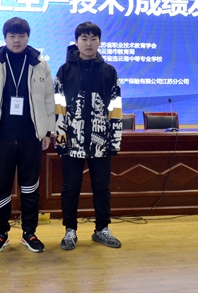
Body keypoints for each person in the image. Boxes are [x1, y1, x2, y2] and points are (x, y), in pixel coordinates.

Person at [0, 17, 55, 254]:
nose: (17, 40)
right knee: (1, 187)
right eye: (12, 36)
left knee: (30, 187)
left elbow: (48, 99)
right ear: (5, 38)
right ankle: (1, 233)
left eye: (21, 35)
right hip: (1, 135)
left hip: (31, 136)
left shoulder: (40, 64)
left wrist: (47, 131)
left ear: (28, 37)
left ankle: (29, 232)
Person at [54, 21, 123, 251]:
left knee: (102, 187)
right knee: (70, 187)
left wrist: (114, 141)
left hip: (100, 141)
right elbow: (59, 108)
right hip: (71, 141)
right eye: (84, 38)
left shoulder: (109, 72)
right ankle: (70, 231)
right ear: (76, 42)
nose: (89, 43)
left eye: (93, 39)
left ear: (99, 42)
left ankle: (102, 229)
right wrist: (61, 140)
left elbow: (115, 108)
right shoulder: (64, 71)